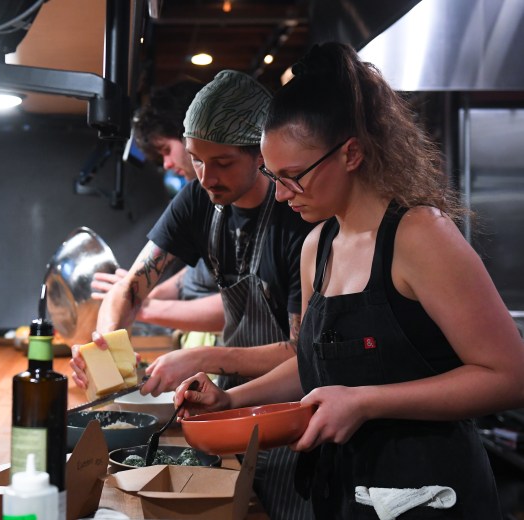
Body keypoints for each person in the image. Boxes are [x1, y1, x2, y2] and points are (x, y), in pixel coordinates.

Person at [176, 42, 524, 519]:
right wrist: (229, 399)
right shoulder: (317, 246)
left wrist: (365, 403)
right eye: (274, 177)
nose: (281, 195)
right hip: (345, 495)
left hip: (431, 498)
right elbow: (313, 364)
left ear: (352, 154)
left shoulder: (419, 234)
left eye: (294, 176)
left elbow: (509, 376)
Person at [72, 70, 315, 520]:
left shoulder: (296, 221)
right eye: (198, 160)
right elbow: (131, 285)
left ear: (260, 153)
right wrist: (104, 344)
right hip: (225, 407)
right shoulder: (200, 200)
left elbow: (301, 353)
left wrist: (203, 359)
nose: (206, 177)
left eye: (222, 163)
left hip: (291, 413)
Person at [91, 80, 224, 343]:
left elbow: (242, 307)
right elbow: (200, 274)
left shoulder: (265, 205)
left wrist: (143, 305)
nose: (166, 164)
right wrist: (136, 297)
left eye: (166, 150)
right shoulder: (194, 198)